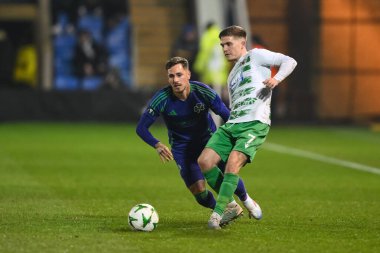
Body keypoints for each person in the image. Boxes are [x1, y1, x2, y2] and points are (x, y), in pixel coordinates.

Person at [136, 56, 256, 226]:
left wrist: (236, 137)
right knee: (199, 193)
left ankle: (247, 200)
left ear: (188, 74)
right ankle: (225, 211)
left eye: (179, 75)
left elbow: (226, 114)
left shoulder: (202, 91)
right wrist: (157, 144)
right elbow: (141, 128)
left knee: (229, 171)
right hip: (182, 149)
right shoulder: (162, 98)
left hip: (209, 141)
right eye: (171, 76)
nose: (175, 80)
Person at [197, 25, 297, 229]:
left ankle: (218, 214)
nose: (225, 49)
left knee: (232, 163)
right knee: (205, 161)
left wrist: (276, 79)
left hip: (254, 123)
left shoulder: (256, 56)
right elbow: (234, 105)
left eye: (228, 44)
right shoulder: (232, 74)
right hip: (233, 124)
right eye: (222, 45)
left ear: (242, 43)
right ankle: (240, 203)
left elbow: (290, 61)